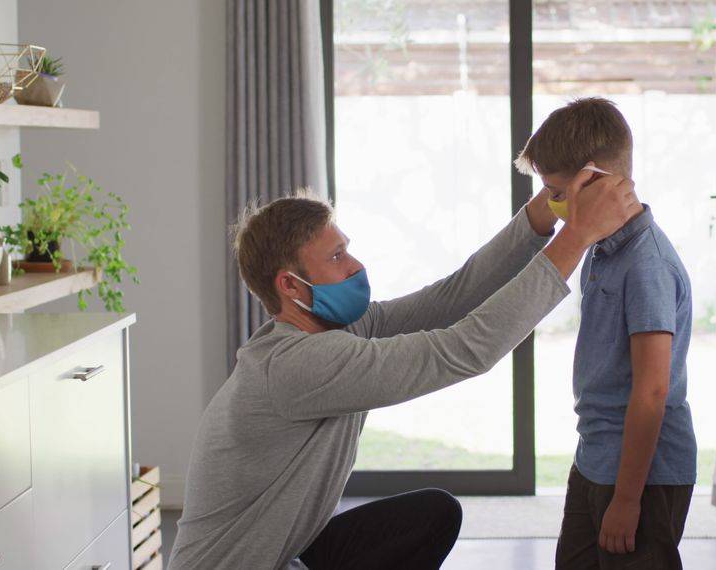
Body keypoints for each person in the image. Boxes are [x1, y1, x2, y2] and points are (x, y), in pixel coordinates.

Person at [166, 170, 641, 570]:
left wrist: (545, 209)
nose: (355, 265)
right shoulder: (297, 364)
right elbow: (464, 349)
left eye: (346, 248)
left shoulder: (339, 329)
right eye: (336, 258)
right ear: (291, 285)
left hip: (279, 557)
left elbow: (454, 296)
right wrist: (576, 237)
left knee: (431, 515)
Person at [515, 97, 698, 570]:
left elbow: (653, 391)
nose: (551, 202)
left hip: (642, 477)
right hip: (596, 457)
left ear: (592, 181)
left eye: (556, 190)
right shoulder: (598, 247)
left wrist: (627, 500)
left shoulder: (647, 264)